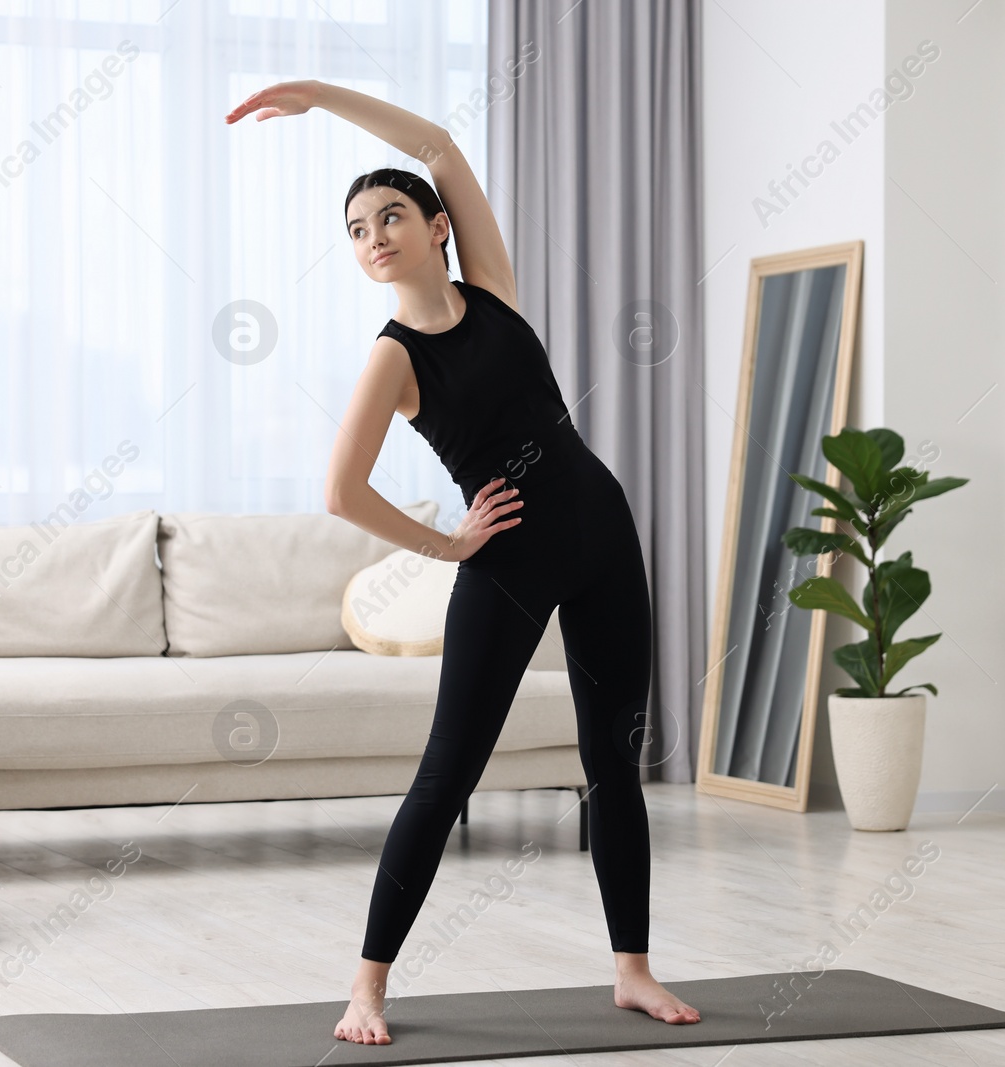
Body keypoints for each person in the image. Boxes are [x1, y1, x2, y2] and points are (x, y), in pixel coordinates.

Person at [224, 79, 699, 1045]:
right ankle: (367, 987)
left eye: (389, 215)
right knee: (448, 772)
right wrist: (450, 544)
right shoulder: (393, 358)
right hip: (510, 559)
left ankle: (633, 970)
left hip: (603, 531)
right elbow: (341, 490)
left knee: (615, 757)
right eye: (355, 229)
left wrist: (315, 95)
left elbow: (439, 142)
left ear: (436, 226)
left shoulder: (492, 292)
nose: (373, 236)